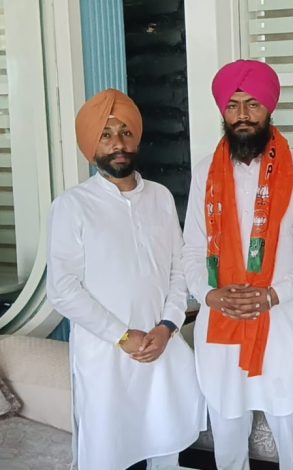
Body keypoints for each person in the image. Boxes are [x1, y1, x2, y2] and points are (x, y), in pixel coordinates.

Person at [46, 89, 205, 470]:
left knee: (165, 443)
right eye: (105, 135)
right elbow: (62, 289)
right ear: (92, 146)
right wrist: (121, 334)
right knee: (108, 450)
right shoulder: (73, 205)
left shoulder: (160, 197)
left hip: (160, 346)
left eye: (125, 133)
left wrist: (167, 326)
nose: (118, 143)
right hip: (107, 356)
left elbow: (178, 268)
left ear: (136, 139)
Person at [182, 60, 293, 470]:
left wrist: (273, 295)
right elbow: (191, 249)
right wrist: (209, 295)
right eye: (233, 105)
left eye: (252, 104)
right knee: (227, 441)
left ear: (269, 108)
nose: (242, 115)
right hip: (221, 328)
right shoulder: (205, 172)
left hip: (283, 327)